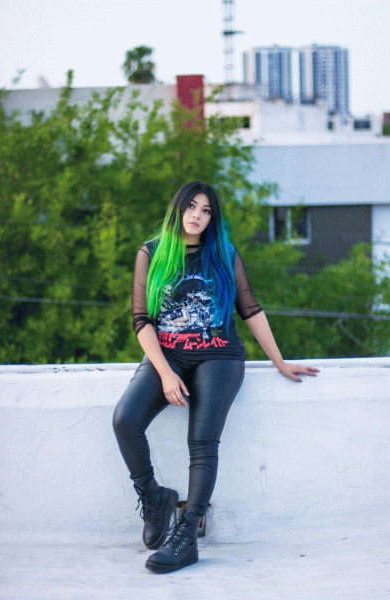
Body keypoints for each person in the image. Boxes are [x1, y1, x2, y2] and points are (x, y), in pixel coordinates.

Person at [112, 180, 319, 574]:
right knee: (125, 420)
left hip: (219, 356)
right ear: (178, 209)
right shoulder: (151, 253)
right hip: (168, 355)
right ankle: (155, 499)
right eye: (191, 206)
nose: (197, 216)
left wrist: (279, 362)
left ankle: (187, 535)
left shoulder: (224, 252)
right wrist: (165, 373)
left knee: (202, 441)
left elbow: (250, 308)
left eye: (206, 210)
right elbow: (142, 320)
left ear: (213, 218)